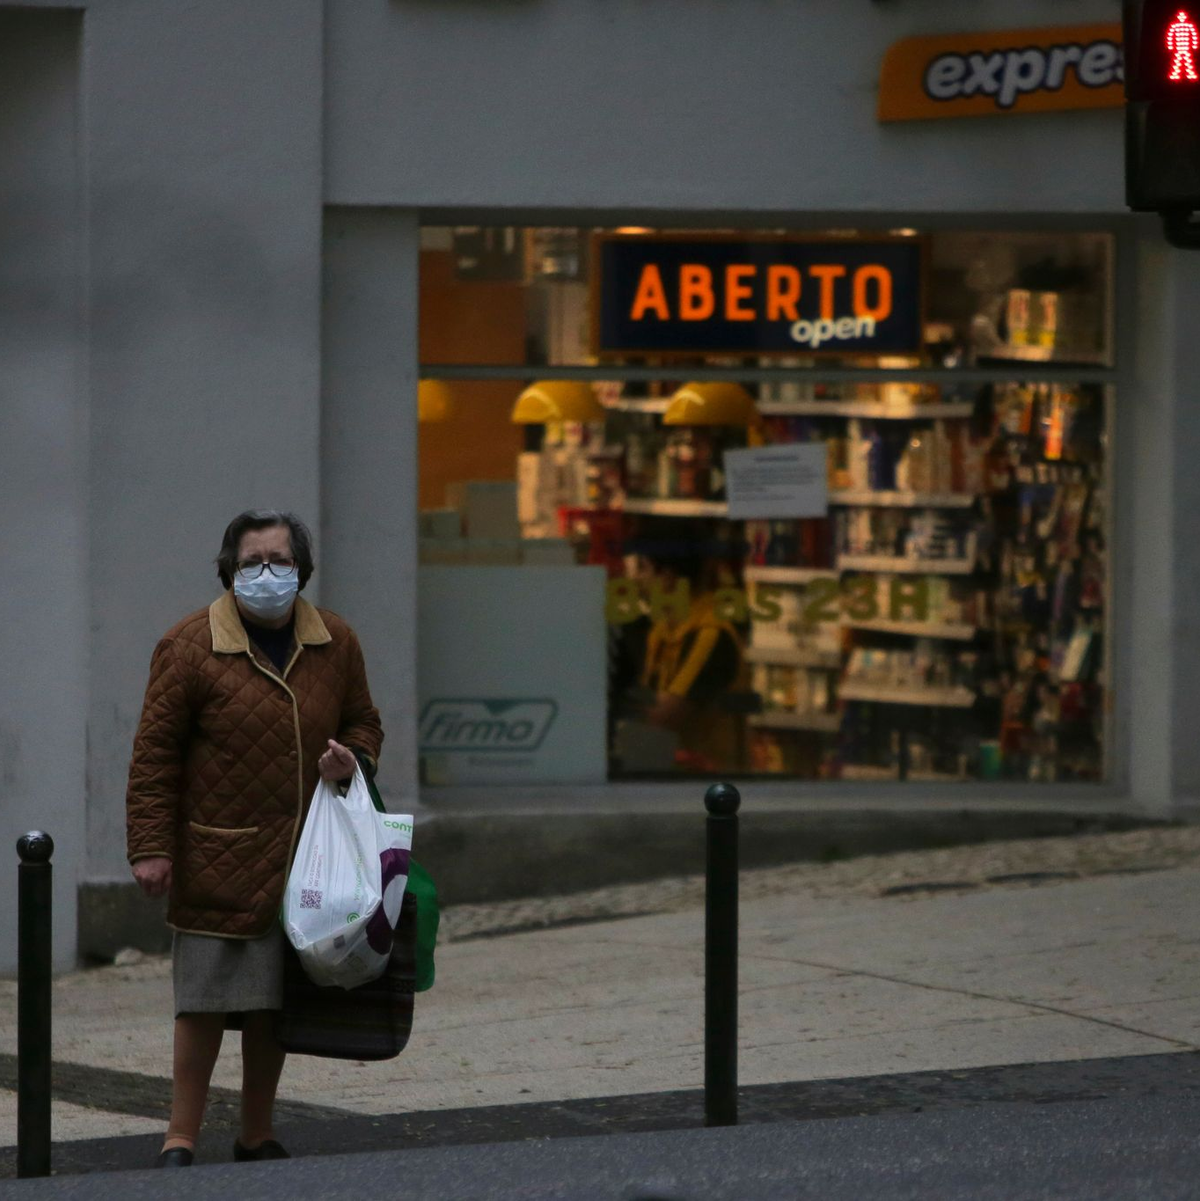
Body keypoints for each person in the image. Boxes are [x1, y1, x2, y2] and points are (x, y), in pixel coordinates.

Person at [125, 510, 383, 1169]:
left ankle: (256, 1132)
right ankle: (180, 1136)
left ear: (302, 569)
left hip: (303, 856)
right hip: (219, 850)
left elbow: (364, 722)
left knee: (273, 1005)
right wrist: (151, 846)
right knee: (203, 1002)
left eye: (280, 560)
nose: (266, 573)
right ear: (229, 570)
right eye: (251, 562)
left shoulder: (336, 640)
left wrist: (351, 759)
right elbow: (155, 756)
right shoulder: (188, 645)